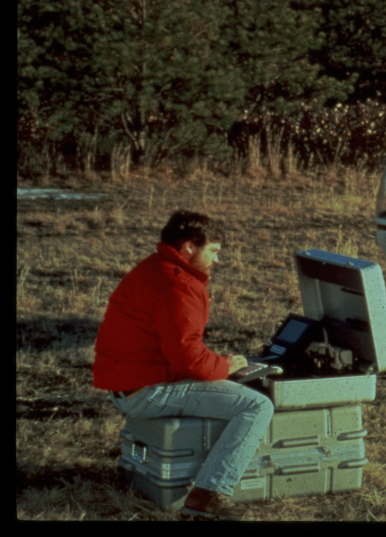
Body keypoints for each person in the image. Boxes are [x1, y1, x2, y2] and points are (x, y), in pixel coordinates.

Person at [93, 210, 273, 520]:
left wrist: (216, 365)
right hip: (147, 392)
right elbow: (187, 358)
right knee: (256, 405)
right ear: (190, 246)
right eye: (213, 250)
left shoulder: (155, 267)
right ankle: (209, 495)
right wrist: (225, 366)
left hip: (128, 385)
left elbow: (177, 347)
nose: (217, 259)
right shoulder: (177, 283)